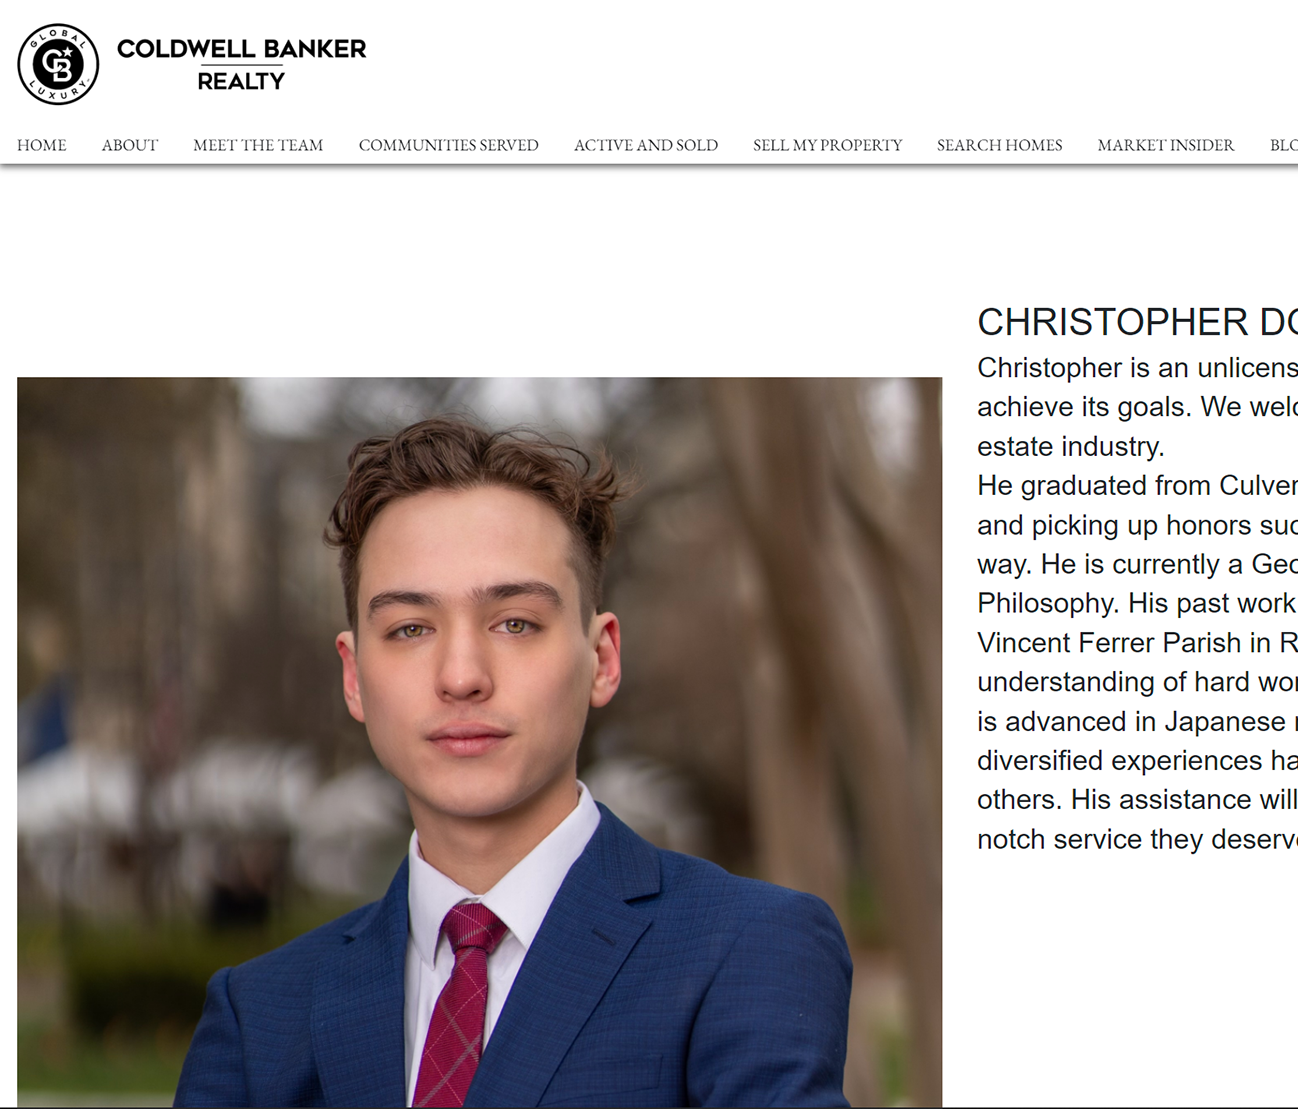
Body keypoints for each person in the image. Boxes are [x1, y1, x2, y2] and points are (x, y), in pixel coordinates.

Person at [175, 416, 851, 1108]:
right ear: (353, 675)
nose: (462, 675)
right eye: (410, 628)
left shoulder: (747, 950)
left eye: (515, 622)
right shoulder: (258, 1015)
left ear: (603, 658)